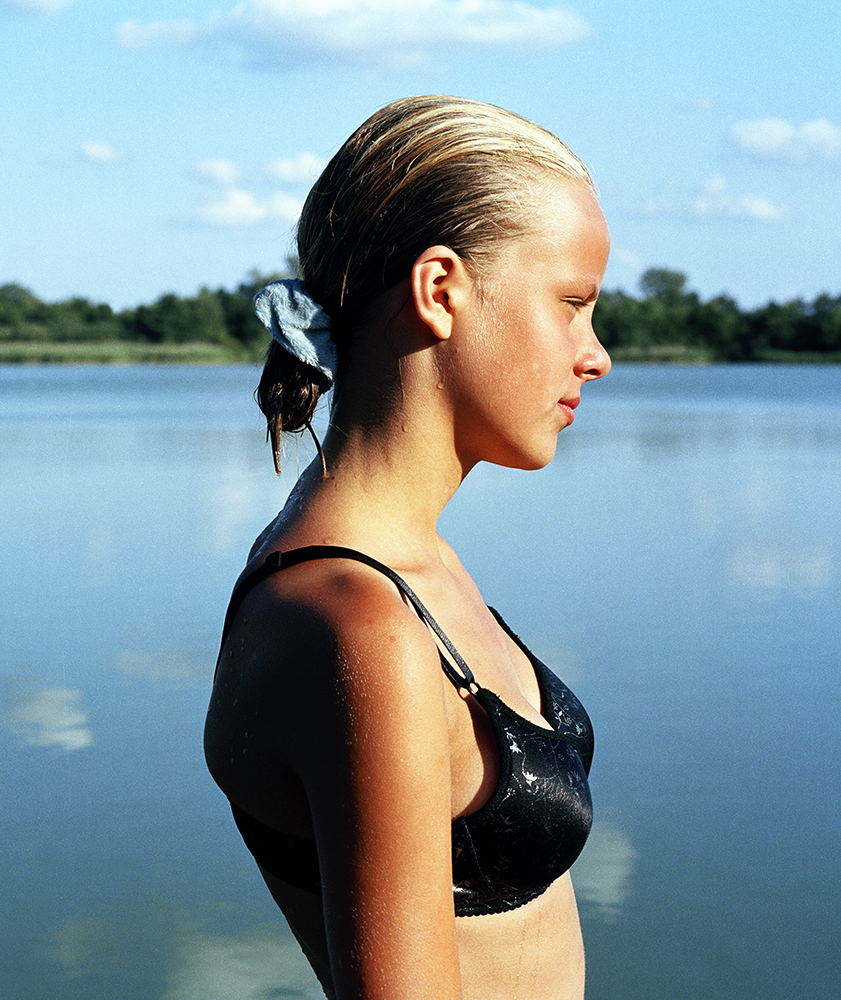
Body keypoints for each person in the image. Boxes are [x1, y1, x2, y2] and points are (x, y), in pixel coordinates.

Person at [204, 95, 611, 1000]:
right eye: (573, 304)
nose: (597, 355)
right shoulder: (359, 625)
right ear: (439, 291)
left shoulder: (397, 562)